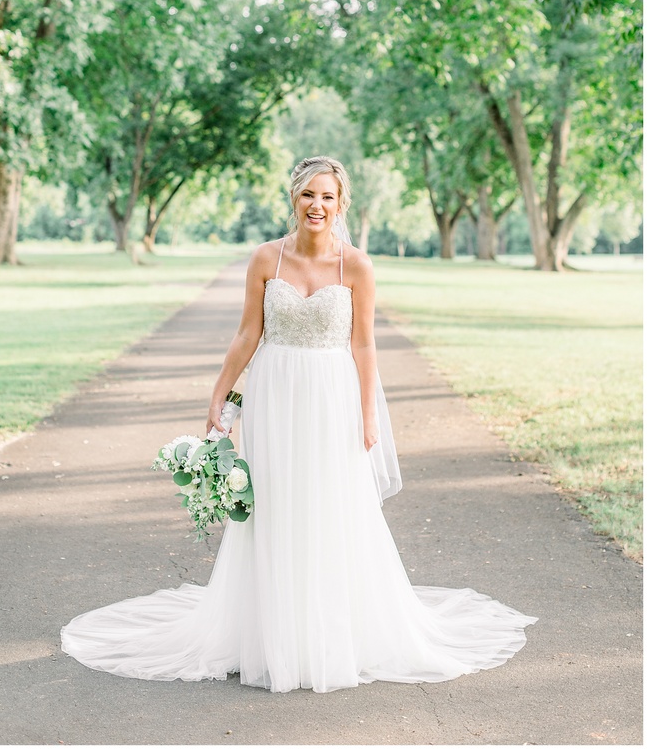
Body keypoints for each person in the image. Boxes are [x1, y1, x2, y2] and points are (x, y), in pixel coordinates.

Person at [61, 155, 537, 693]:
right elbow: (247, 334)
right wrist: (219, 392)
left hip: (332, 397)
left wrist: (367, 413)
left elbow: (363, 342)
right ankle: (269, 636)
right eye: (308, 194)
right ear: (293, 199)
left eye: (327, 196)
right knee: (277, 505)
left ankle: (331, 636)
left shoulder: (356, 265)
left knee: (332, 505)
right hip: (274, 395)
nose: (317, 205)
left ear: (341, 204)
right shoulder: (266, 258)